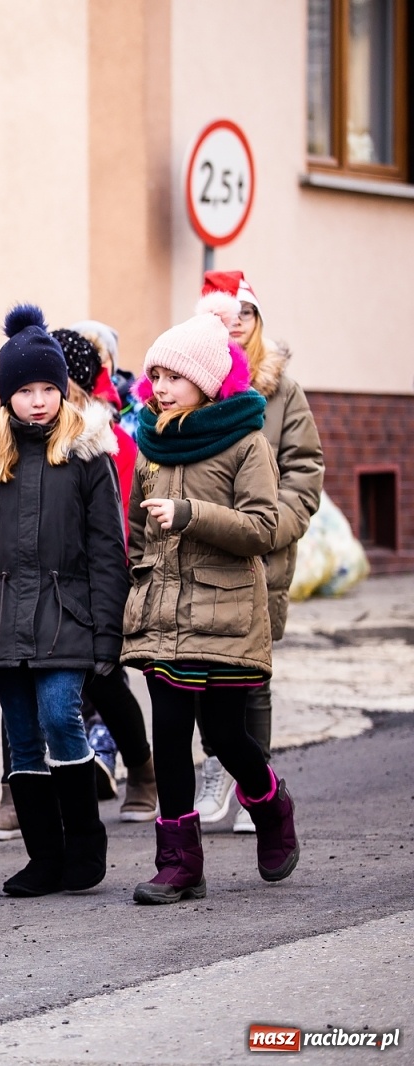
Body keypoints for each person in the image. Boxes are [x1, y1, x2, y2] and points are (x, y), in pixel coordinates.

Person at [121, 312, 298, 904]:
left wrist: (193, 515)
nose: (161, 386)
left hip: (224, 613)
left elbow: (264, 526)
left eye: (174, 376)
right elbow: (137, 532)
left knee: (223, 733)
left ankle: (270, 804)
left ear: (208, 381)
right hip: (166, 612)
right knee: (169, 730)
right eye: (156, 375)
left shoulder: (246, 441)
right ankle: (179, 863)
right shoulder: (151, 441)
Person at [0, 305, 126, 898]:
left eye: (48, 388)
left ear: (62, 392)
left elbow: (109, 549)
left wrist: (109, 632)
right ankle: (43, 858)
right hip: (0, 619)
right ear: (7, 396)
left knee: (60, 715)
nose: (37, 400)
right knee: (21, 734)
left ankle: (84, 845)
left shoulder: (87, 455)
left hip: (68, 616)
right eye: (24, 390)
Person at [191, 272, 323, 835]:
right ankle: (217, 767)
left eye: (246, 311)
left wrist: (274, 528)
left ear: (259, 320)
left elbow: (305, 470)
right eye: (224, 314)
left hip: (263, 558)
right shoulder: (194, 381)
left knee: (252, 673)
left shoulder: (282, 391)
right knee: (198, 669)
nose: (236, 322)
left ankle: (255, 783)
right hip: (203, 557)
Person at [50, 325, 158, 822]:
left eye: (57, 384)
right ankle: (16, 790)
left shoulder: (111, 441)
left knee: (104, 681)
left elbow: (127, 521)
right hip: (40, 581)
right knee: (26, 680)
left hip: (96, 580)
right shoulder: (21, 439)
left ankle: (142, 769)